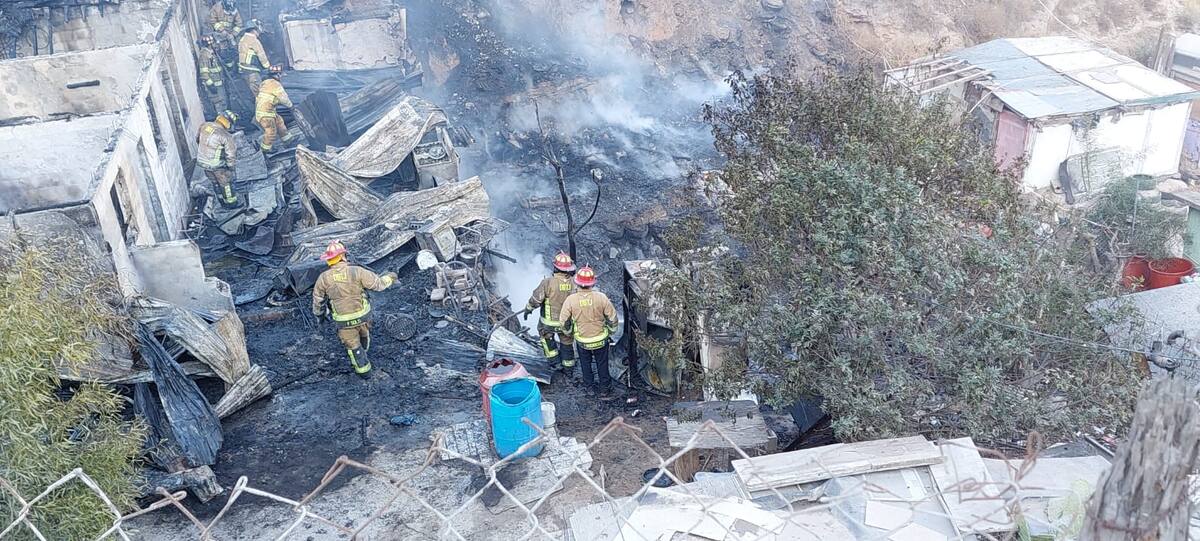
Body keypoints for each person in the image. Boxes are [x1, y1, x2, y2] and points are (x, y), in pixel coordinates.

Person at [312, 241, 398, 377]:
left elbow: (318, 301)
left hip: (343, 321)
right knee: (364, 334)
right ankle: (365, 347)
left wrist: (320, 316)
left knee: (353, 346)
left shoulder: (323, 278)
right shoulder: (357, 271)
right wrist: (391, 277)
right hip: (363, 316)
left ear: (329, 259)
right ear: (343, 256)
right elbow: (379, 285)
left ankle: (364, 373)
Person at [560, 265, 618, 399]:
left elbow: (563, 322)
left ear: (577, 282)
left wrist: (569, 332)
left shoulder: (571, 300)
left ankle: (589, 388)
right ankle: (604, 389)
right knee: (602, 364)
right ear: (592, 283)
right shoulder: (601, 297)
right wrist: (611, 331)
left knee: (585, 364)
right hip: (600, 339)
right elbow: (613, 318)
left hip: (582, 341)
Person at [523, 252, 577, 373]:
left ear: (555, 267)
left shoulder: (547, 282)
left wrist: (528, 309)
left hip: (548, 324)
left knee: (546, 338)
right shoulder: (574, 283)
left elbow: (536, 300)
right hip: (567, 323)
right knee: (567, 342)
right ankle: (569, 367)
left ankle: (555, 362)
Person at [196, 110, 239, 207]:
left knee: (215, 182)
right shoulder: (225, 135)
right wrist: (231, 167)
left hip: (203, 162)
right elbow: (230, 154)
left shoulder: (204, 126)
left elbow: (197, 139)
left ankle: (221, 201)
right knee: (225, 183)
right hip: (216, 165)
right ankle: (231, 203)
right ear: (228, 123)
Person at [254, 66, 296, 153]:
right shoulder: (275, 84)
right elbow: (283, 98)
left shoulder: (265, 83)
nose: (281, 77)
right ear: (277, 75)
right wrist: (291, 106)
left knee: (280, 123)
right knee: (271, 131)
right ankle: (266, 149)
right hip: (266, 114)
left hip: (267, 111)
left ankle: (288, 141)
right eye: (280, 74)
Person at [237, 19, 270, 94]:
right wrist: (267, 67)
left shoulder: (242, 39)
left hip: (244, 71)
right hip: (252, 71)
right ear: (254, 30)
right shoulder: (254, 40)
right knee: (259, 93)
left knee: (251, 93)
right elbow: (261, 55)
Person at [197, 35, 228, 112]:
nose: (216, 45)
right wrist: (210, 85)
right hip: (214, 86)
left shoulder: (212, 53)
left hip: (220, 83)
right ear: (210, 44)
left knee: (224, 103)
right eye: (214, 43)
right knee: (219, 105)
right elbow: (204, 73)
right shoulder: (204, 55)